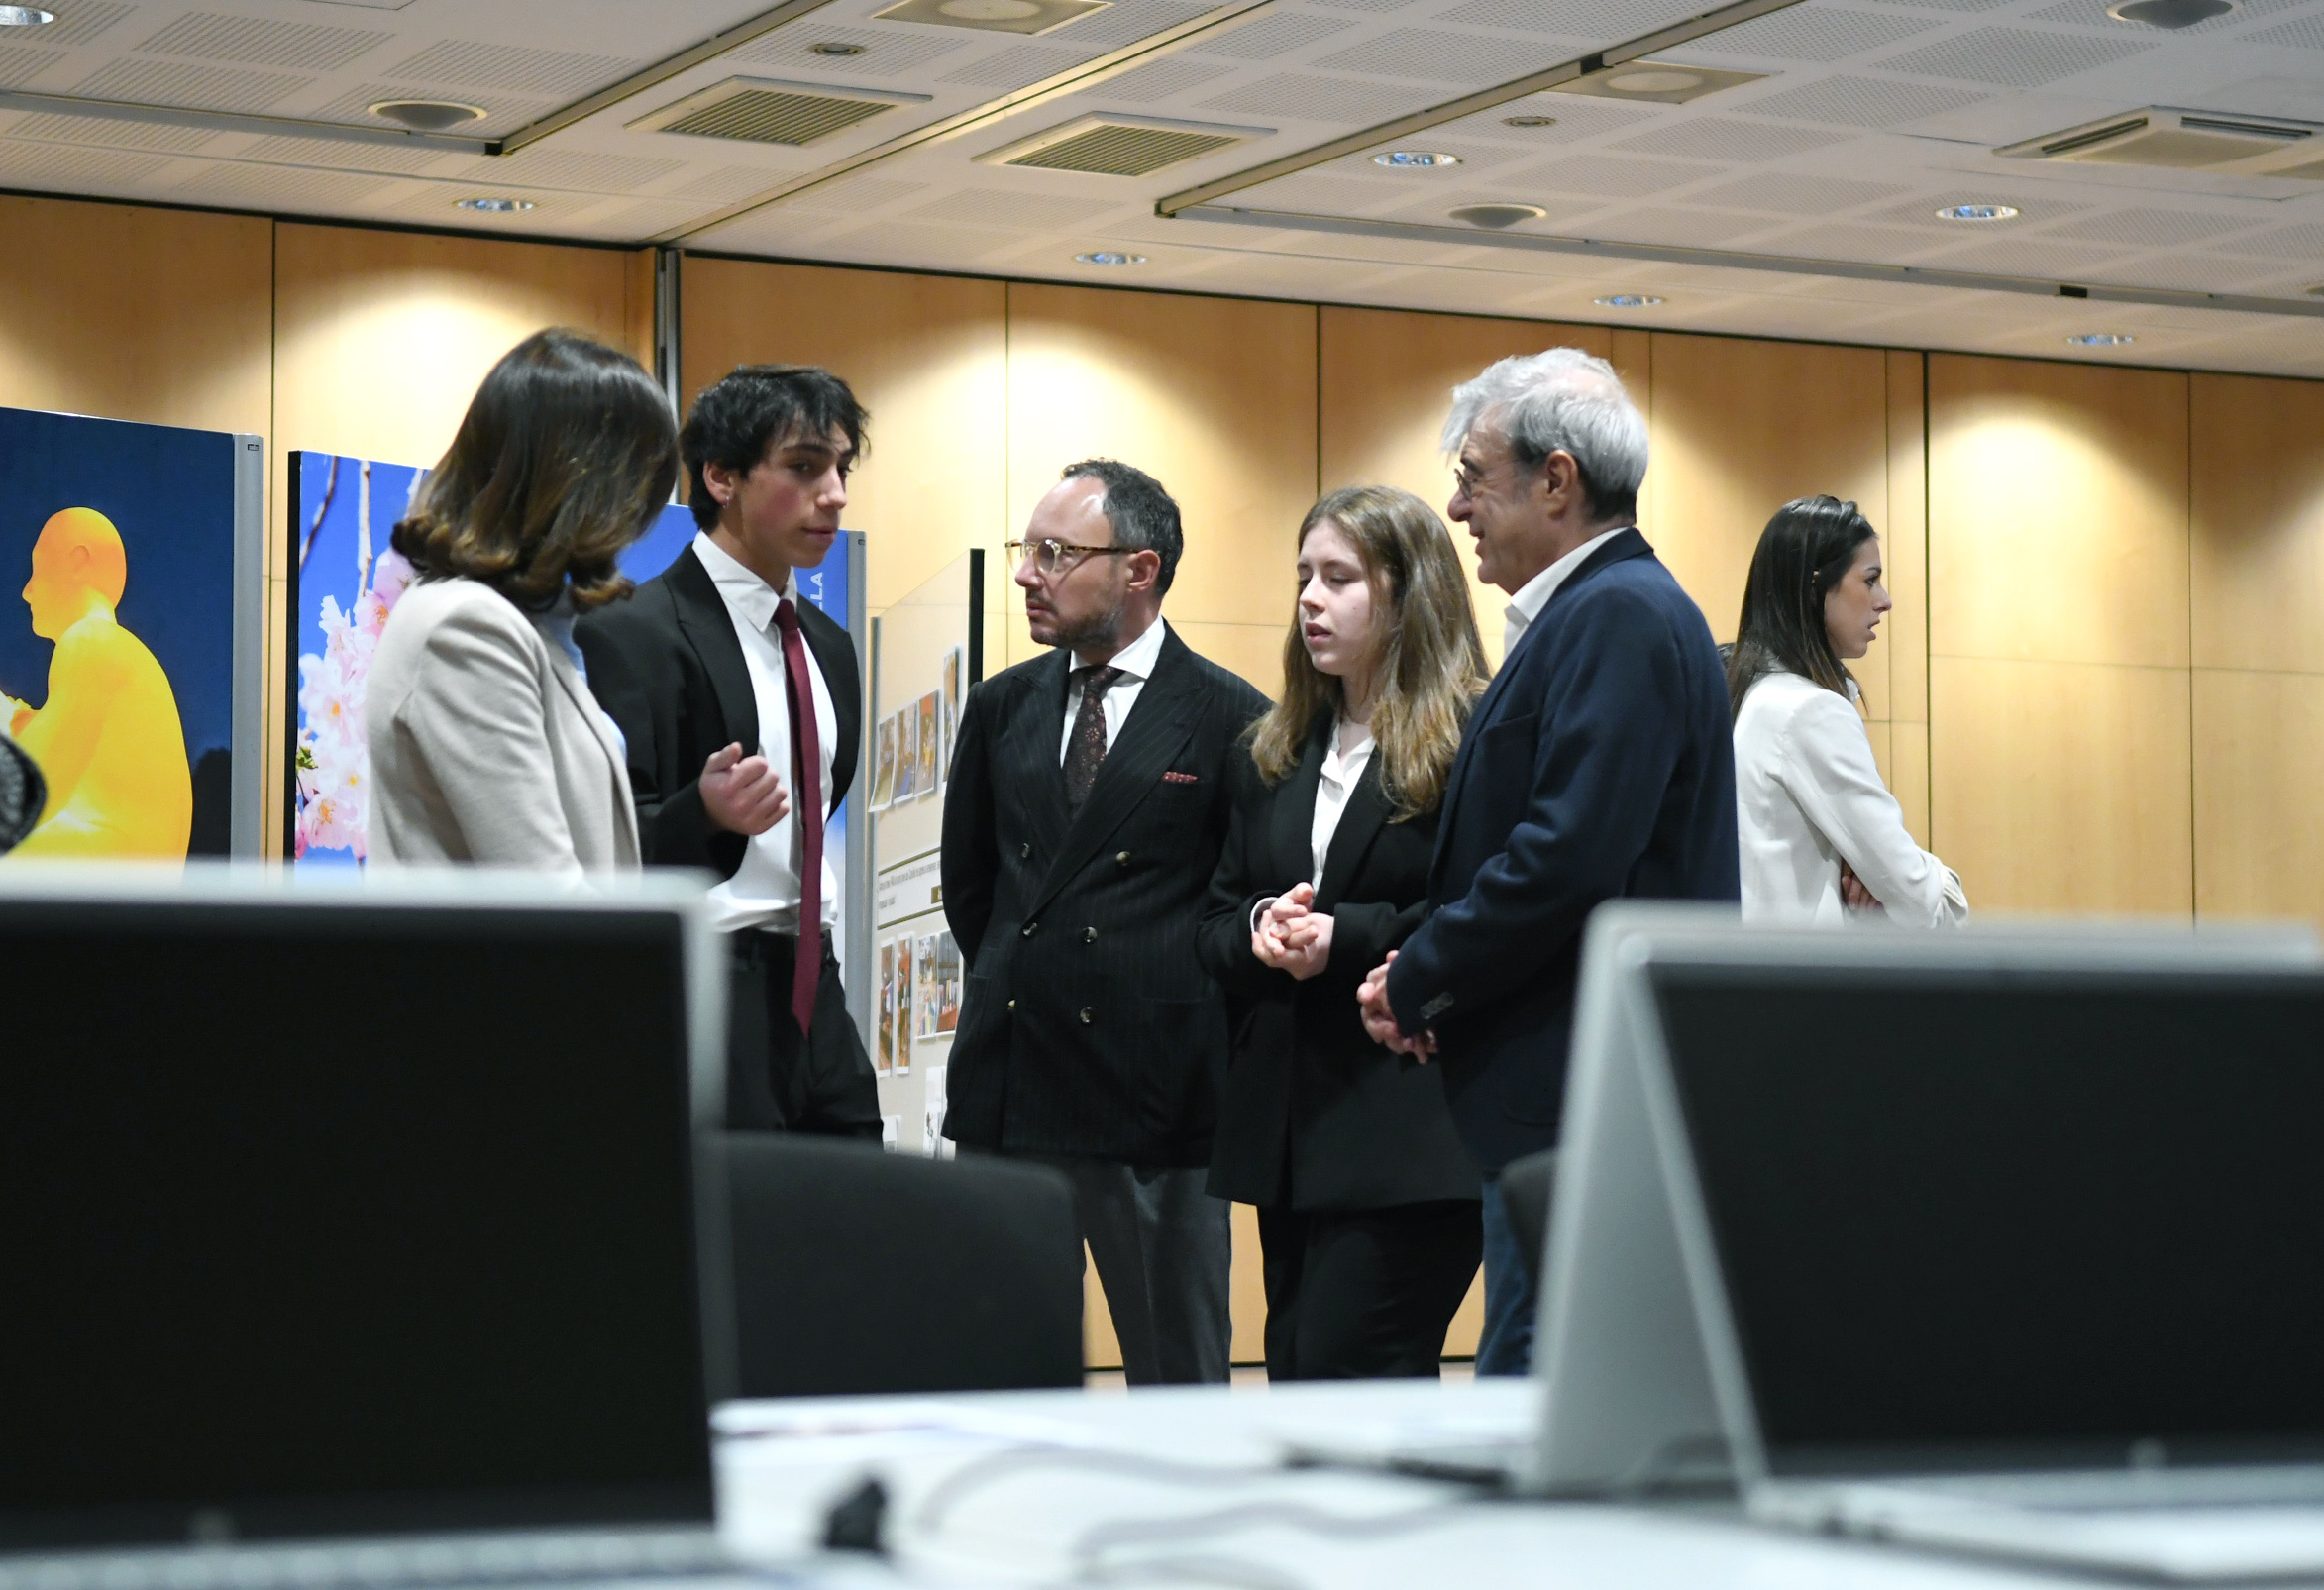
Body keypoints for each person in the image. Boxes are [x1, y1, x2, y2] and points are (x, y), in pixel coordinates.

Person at [1355, 348, 1740, 1377]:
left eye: (1474, 479)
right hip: (1564, 1079)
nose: (1457, 507)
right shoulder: (1598, 612)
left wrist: (1425, 974)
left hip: (1580, 1090)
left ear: (1557, 480)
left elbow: (1567, 857)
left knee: (1535, 1385)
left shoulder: (1618, 615)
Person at [941, 459, 1270, 1386]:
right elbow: (973, 891)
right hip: (1010, 1082)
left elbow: (1235, 908)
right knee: (995, 1375)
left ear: (1140, 569)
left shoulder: (1233, 717)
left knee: (1177, 1379)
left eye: (1056, 553)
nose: (1026, 574)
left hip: (1154, 1097)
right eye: (1028, 550)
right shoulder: (1002, 705)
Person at [1198, 485, 1490, 1381]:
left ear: (1407, 593)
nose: (1310, 600)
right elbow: (1214, 919)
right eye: (1303, 578)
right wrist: (1263, 927)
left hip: (1411, 1117)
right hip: (1291, 1125)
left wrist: (1343, 936)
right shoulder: (1273, 746)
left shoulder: (1474, 736)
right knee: (1297, 1376)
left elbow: (1485, 909)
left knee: (1353, 1370)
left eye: (1339, 578)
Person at [579, 365, 877, 1138]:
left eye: (842, 469)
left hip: (820, 982)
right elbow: (603, 843)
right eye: (805, 466)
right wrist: (704, 813)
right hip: (707, 977)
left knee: (857, 1203)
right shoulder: (632, 630)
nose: (835, 494)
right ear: (721, 477)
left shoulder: (830, 645)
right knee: (737, 1210)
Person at [367, 329, 677, 877]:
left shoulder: (525, 622)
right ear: (578, 485)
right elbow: (546, 894)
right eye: (634, 484)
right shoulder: (466, 628)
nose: (636, 516)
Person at [1730, 495, 1966, 926]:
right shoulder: (1809, 712)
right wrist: (1941, 882)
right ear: (1814, 589)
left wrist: (1869, 871)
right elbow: (1920, 900)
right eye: (1870, 580)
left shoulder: (1756, 695)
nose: (1885, 601)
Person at [2, 507, 191, 859]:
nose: (26, 591)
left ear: (78, 561)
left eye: (38, 567)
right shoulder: (119, 653)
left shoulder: (91, 640)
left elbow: (28, 788)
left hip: (107, 861)